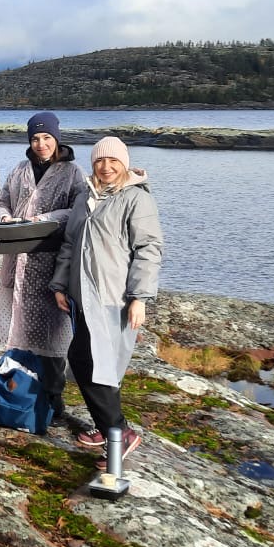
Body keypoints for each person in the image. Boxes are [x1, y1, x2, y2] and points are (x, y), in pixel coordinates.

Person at [49, 136, 164, 460]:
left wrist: (140, 297)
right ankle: (107, 426)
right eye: (100, 160)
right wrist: (60, 285)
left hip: (113, 297)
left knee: (91, 362)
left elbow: (149, 249)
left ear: (124, 163)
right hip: (82, 296)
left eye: (113, 160)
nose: (106, 166)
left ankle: (119, 433)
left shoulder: (136, 199)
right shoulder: (86, 196)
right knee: (90, 362)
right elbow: (70, 244)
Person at [0, 112, 87, 421]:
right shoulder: (20, 169)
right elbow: (1, 201)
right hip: (17, 257)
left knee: (53, 335)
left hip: (51, 262)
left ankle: (53, 397)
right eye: (35, 138)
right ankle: (18, 392)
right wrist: (4, 217)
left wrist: (45, 219)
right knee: (18, 331)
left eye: (46, 138)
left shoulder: (73, 172)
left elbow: (78, 210)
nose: (41, 144)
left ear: (56, 139)